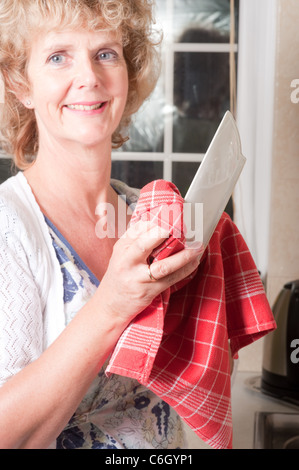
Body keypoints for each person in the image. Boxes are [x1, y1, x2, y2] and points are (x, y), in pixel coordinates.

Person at [0, 0, 204, 449]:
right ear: (20, 84)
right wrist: (111, 306)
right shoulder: (9, 226)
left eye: (106, 53)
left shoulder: (145, 213)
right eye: (58, 57)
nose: (90, 77)